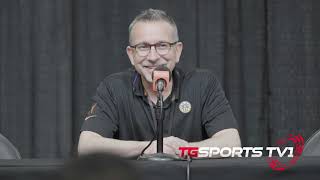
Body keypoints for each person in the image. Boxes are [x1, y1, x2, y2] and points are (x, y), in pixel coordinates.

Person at [78, 9, 241, 158]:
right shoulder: (113, 88)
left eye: (162, 46)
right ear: (131, 55)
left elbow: (232, 144)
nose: (153, 56)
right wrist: (150, 148)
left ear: (177, 51)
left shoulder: (203, 84)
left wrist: (184, 150)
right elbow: (87, 146)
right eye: (143, 47)